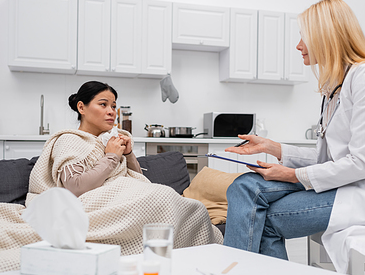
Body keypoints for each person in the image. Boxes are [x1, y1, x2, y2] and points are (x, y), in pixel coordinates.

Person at [223, 0, 365, 274]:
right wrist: (274, 147)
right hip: (348, 184)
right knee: (243, 186)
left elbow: (361, 163)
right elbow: (331, 158)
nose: (298, 46)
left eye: (304, 37)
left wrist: (290, 175)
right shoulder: (335, 87)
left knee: (260, 216)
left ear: (326, 37)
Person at [28, 81, 223, 255]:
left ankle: (198, 257)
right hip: (88, 206)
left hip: (122, 198)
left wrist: (128, 155)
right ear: (82, 107)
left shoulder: (111, 139)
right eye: (103, 104)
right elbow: (75, 187)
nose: (112, 111)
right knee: (164, 197)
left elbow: (137, 180)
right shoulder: (69, 140)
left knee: (191, 207)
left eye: (113, 106)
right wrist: (111, 156)